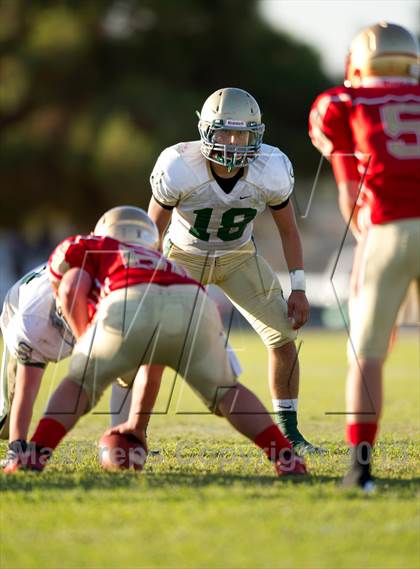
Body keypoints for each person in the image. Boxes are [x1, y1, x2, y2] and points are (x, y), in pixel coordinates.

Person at [4, 206, 307, 476]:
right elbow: (153, 364)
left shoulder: (88, 245)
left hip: (129, 299)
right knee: (228, 393)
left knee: (78, 385)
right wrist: (135, 426)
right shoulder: (162, 259)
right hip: (195, 302)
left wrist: (86, 342)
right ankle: (286, 457)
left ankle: (36, 457)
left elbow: (71, 287)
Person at [146, 87, 320, 453]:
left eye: (242, 133)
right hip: (183, 257)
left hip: (238, 257)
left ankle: (290, 433)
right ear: (206, 130)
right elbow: (151, 230)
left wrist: (299, 287)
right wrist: (148, 277)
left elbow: (289, 230)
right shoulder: (179, 166)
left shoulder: (270, 169)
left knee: (284, 337)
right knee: (156, 343)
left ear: (256, 134)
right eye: (225, 132)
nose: (233, 142)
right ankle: (136, 433)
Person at [309, 21, 420, 489]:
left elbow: (349, 190)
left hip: (390, 228)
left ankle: (361, 469)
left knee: (367, 354)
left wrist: (365, 236)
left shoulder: (343, 102)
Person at [0, 266, 132, 468]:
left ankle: (125, 435)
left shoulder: (111, 292)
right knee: (8, 417)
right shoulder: (33, 322)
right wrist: (16, 450)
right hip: (20, 306)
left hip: (73, 298)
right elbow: (26, 390)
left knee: (126, 369)